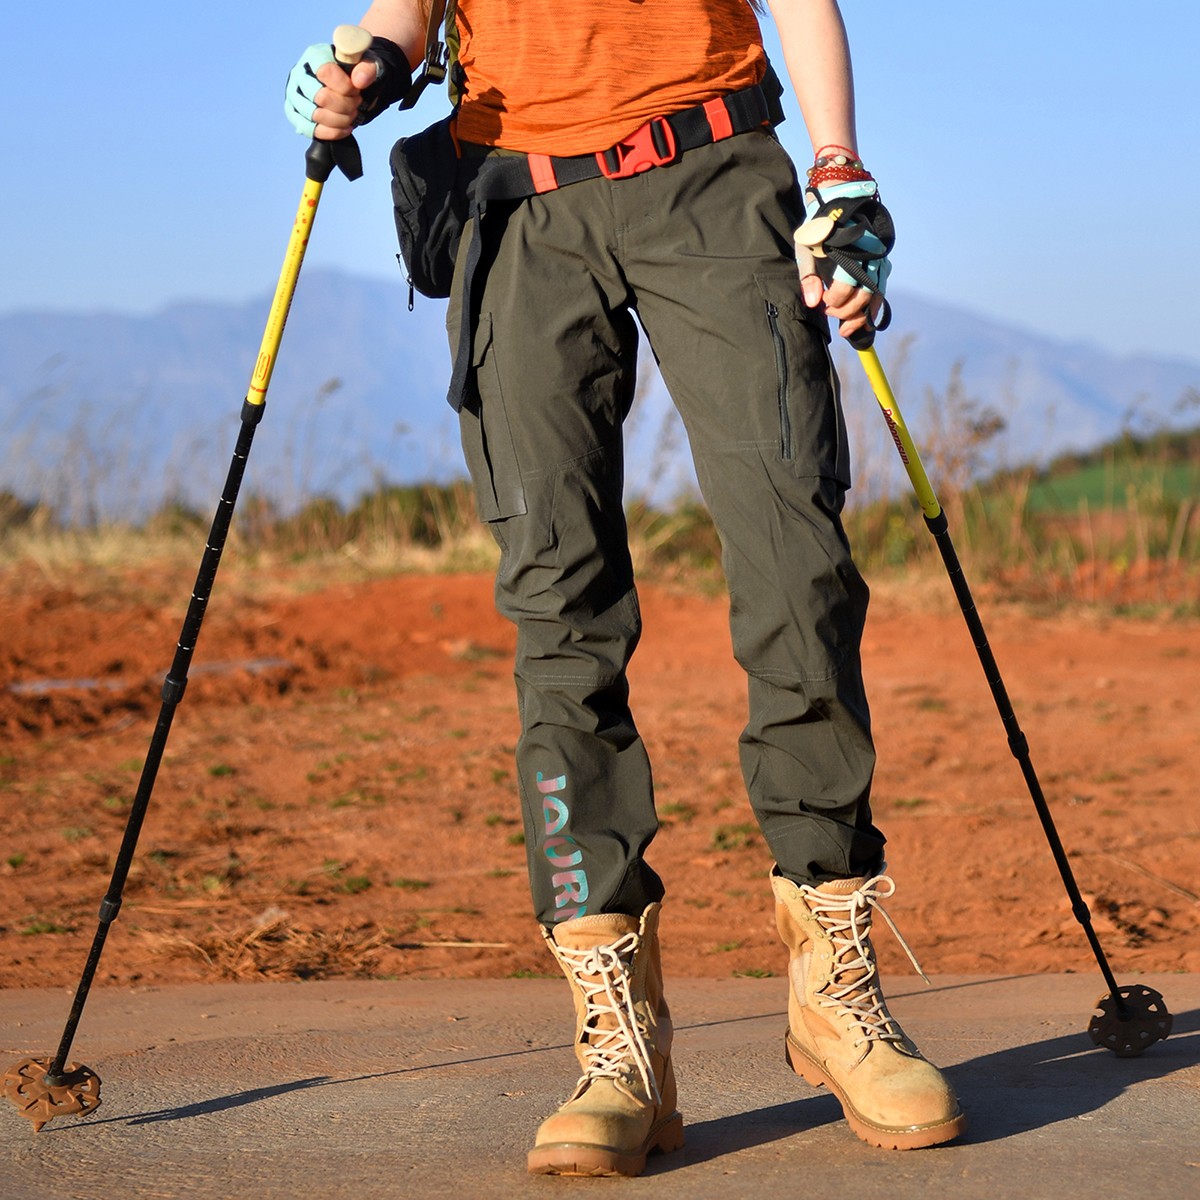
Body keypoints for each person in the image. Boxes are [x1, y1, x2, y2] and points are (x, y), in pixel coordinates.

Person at [285, 0, 964, 1177]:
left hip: (714, 176)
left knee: (797, 561)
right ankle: (620, 1044)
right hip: (519, 206)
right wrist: (367, 67)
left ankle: (834, 990)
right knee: (559, 605)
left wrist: (840, 170)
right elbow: (408, 15)